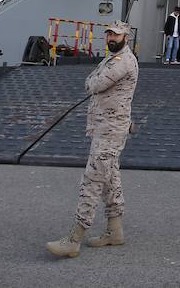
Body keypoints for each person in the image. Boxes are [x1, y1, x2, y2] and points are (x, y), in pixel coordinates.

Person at [47, 20, 139, 258]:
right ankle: (115, 231)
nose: (111, 38)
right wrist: (93, 79)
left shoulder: (123, 61)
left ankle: (74, 239)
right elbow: (91, 80)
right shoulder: (111, 59)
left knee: (93, 180)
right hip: (106, 128)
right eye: (109, 34)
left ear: (125, 38)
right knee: (110, 179)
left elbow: (94, 84)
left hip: (110, 130)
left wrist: (93, 80)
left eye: (116, 35)